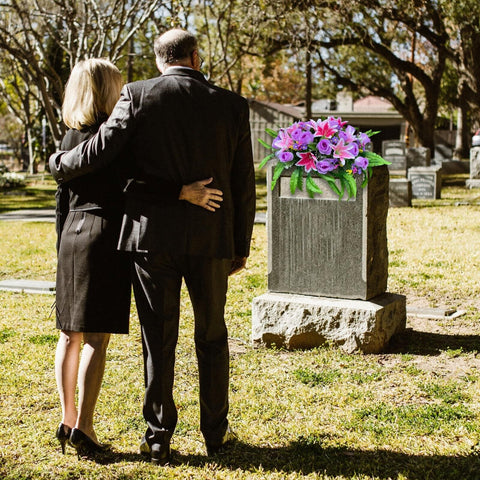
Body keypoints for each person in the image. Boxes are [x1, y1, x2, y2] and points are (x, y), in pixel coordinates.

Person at [49, 28, 256, 465]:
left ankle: (158, 436)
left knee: (157, 339)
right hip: (212, 239)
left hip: (150, 238)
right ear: (196, 58)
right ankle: (216, 436)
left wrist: (58, 164)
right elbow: (243, 184)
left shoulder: (137, 95)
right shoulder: (233, 105)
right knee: (213, 338)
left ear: (160, 60)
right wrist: (240, 245)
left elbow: (103, 154)